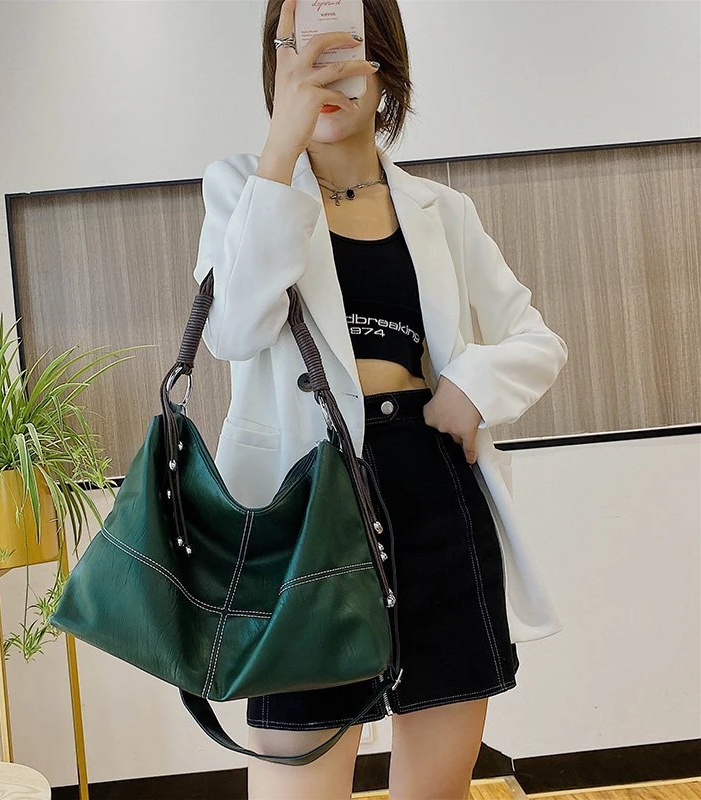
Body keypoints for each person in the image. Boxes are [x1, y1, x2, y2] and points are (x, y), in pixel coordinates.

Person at [192, 1, 568, 797]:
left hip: (434, 495)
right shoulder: (243, 188)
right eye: (297, 48)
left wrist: (471, 386)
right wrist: (280, 152)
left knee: (436, 787)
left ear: (383, 60)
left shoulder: (443, 211)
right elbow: (235, 328)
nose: (320, 70)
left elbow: (537, 340)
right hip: (304, 514)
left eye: (342, 47)